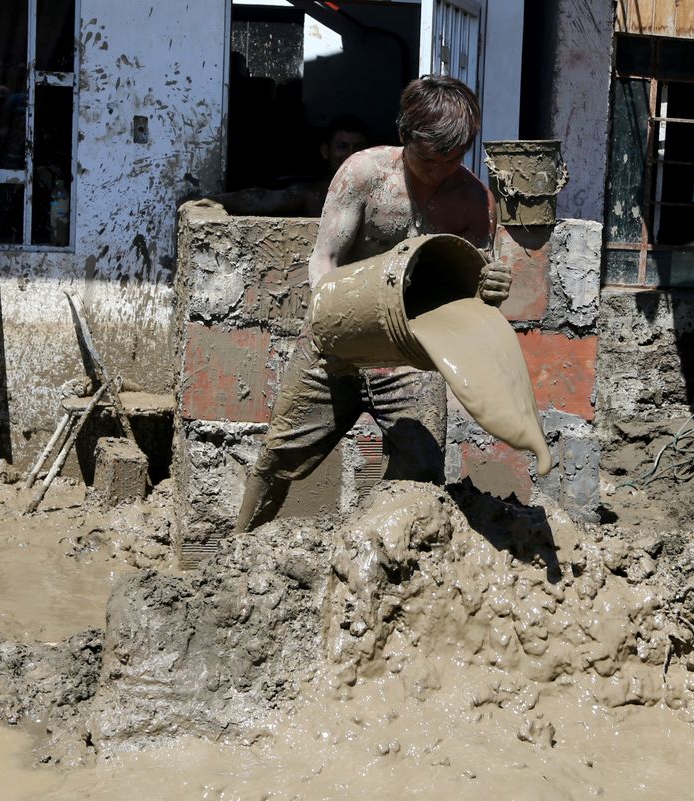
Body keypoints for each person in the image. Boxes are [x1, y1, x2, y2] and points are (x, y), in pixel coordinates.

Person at [233, 75, 511, 534]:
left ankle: (386, 572)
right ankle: (235, 552)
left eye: (453, 159)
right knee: (278, 456)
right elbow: (324, 258)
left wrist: (492, 289)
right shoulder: (364, 174)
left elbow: (472, 290)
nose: (440, 169)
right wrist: (326, 323)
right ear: (404, 135)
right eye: (428, 158)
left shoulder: (474, 202)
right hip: (337, 342)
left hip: (411, 356)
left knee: (421, 473)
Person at [206, 115, 372, 217]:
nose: (352, 154)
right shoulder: (314, 194)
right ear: (325, 151)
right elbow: (262, 199)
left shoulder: (381, 192)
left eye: (359, 147)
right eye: (342, 147)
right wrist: (216, 200)